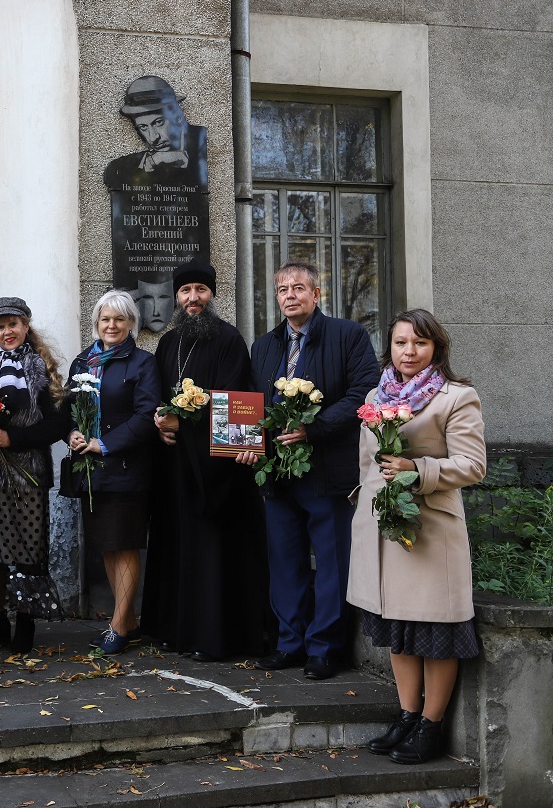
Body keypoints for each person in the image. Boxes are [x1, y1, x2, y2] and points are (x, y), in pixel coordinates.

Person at [347, 309, 486, 764]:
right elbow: (368, 462)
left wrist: (416, 470)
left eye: (420, 344)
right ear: (389, 347)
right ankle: (407, 716)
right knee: (398, 630)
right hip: (383, 530)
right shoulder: (375, 393)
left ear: (436, 349)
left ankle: (432, 724)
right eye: (401, 342)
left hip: (429, 531)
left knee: (435, 629)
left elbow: (472, 465)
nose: (409, 352)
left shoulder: (456, 397)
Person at [239, 261, 380, 680]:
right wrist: (247, 446)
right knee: (286, 563)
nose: (289, 295)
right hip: (279, 475)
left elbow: (362, 393)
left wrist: (312, 428)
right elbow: (252, 404)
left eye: (299, 288)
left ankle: (325, 648)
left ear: (317, 295)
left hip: (328, 472)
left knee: (333, 563)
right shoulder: (263, 347)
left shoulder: (348, 336)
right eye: (282, 289)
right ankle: (290, 643)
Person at [143, 261, 270, 661]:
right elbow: (157, 398)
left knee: (214, 551)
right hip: (176, 467)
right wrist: (160, 421)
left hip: (217, 470)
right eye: (185, 291)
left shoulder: (229, 339)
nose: (193, 298)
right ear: (176, 297)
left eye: (200, 289)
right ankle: (177, 631)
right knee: (178, 546)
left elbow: (236, 399)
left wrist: (187, 420)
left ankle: (213, 638)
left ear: (211, 295)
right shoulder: (167, 343)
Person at [0, 296, 69, 655]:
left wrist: (14, 437)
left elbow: (57, 424)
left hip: (27, 475)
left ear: (26, 325)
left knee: (28, 550)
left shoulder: (43, 367)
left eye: (13, 324)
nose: (7, 332)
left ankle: (25, 622)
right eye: (0, 326)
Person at [65, 290, 161, 655]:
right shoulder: (82, 362)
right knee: (107, 543)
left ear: (131, 324)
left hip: (125, 468)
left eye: (119, 319)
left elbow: (145, 416)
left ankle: (119, 624)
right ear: (96, 323)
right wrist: (72, 433)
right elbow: (70, 409)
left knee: (124, 542)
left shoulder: (142, 363)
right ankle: (129, 623)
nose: (111, 325)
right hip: (91, 471)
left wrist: (103, 444)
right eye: (105, 319)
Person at [104, 75, 208, 186]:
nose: (153, 138)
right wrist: (153, 161)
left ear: (178, 117)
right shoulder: (144, 160)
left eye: (159, 122)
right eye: (143, 127)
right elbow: (113, 174)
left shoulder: (199, 144)